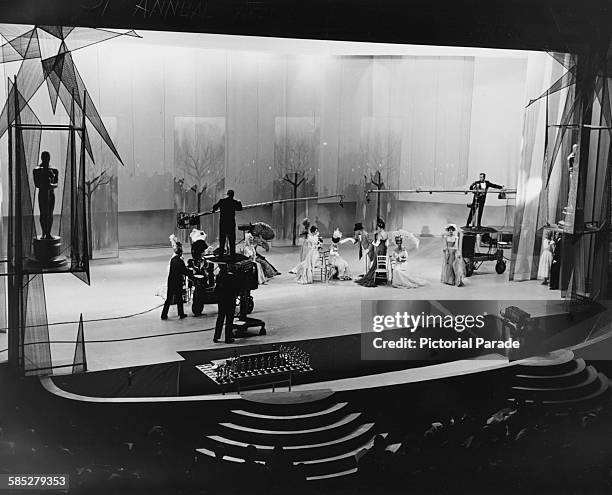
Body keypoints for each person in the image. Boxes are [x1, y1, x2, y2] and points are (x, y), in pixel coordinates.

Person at [161, 235, 189, 320]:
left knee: (168, 299)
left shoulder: (173, 260)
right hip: (177, 282)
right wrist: (192, 276)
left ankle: (164, 314)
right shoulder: (180, 261)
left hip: (171, 281)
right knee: (179, 299)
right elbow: (184, 271)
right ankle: (181, 314)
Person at [32, 151, 59, 239]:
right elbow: (37, 184)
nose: (46, 160)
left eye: (47, 158)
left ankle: (48, 233)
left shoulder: (54, 170)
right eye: (45, 158)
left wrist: (50, 185)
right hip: (42, 194)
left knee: (50, 214)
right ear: (42, 158)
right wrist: (45, 182)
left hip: (51, 194)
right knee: (43, 213)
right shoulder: (37, 170)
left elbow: (56, 184)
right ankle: (44, 232)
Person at [356, 218, 388, 287]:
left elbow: (376, 244)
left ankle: (373, 276)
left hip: (379, 249)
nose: (377, 229)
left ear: (380, 227)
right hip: (384, 249)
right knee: (381, 262)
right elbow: (386, 243)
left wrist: (373, 242)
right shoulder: (385, 233)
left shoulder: (379, 235)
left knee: (375, 264)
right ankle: (381, 277)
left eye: (378, 228)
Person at [212, 190, 243, 256]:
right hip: (231, 224)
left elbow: (214, 208)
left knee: (222, 240)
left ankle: (221, 255)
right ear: (233, 195)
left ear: (227, 194)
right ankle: (232, 255)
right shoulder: (234, 202)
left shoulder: (222, 201)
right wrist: (239, 202)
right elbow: (240, 208)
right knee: (232, 241)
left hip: (223, 223)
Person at [213, 264, 236, 343]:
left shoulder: (218, 277)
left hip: (221, 300)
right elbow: (235, 289)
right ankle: (228, 337)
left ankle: (216, 337)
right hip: (230, 300)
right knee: (229, 319)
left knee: (220, 318)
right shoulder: (231, 277)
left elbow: (216, 290)